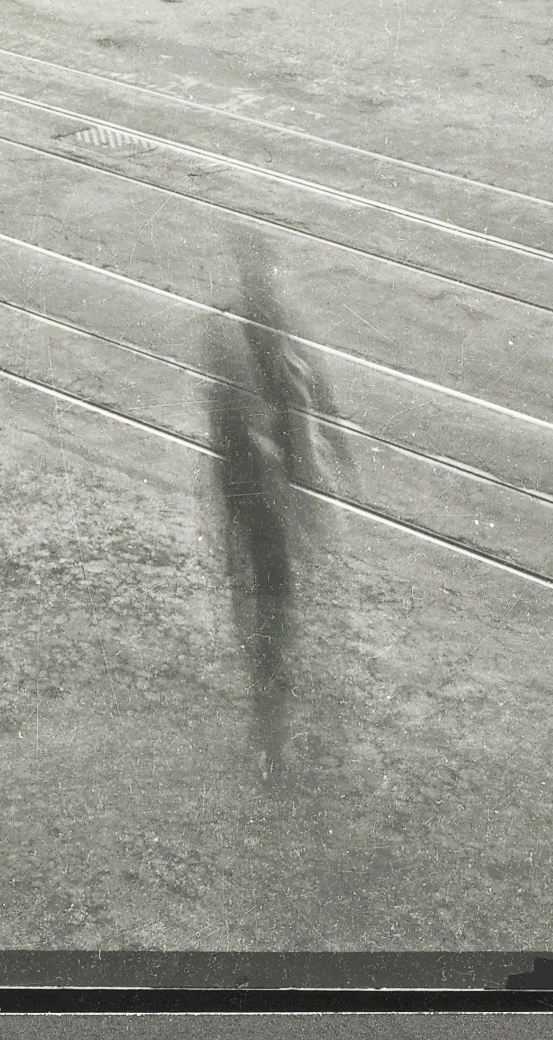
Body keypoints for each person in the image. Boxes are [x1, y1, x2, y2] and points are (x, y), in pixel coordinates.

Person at [203, 234, 347, 766]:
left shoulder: (274, 324)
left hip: (276, 482)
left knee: (271, 584)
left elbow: (315, 386)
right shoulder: (234, 328)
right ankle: (271, 712)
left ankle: (273, 692)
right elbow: (233, 410)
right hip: (254, 487)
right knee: (268, 585)